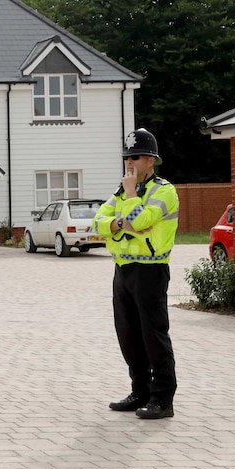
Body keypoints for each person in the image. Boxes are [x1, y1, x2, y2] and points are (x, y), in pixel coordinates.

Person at [92, 128, 180, 419]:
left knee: (153, 335)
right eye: (127, 156)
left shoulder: (163, 190)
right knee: (128, 335)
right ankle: (140, 391)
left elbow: (141, 221)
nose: (130, 162)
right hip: (123, 270)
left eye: (136, 156)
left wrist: (130, 197)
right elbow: (96, 224)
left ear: (151, 160)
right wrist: (120, 220)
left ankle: (162, 399)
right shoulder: (120, 192)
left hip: (150, 272)